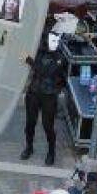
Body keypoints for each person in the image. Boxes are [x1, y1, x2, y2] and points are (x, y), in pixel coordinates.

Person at [22, 31, 65, 165]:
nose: (55, 43)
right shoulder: (39, 52)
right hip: (34, 93)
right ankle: (29, 147)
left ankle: (51, 152)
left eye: (57, 41)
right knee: (30, 123)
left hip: (49, 96)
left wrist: (29, 60)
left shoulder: (60, 57)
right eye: (52, 40)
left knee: (48, 126)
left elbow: (47, 72)